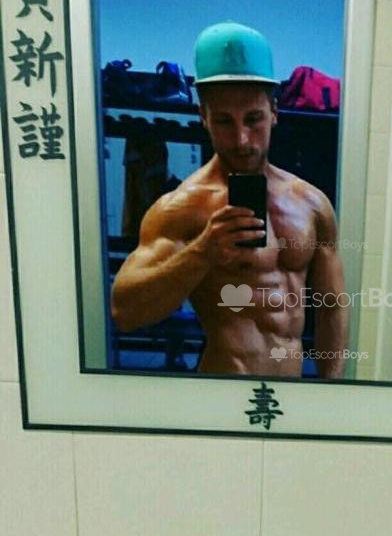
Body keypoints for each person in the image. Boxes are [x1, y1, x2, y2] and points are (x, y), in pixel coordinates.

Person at [110, 21, 348, 378]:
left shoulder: (312, 203)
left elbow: (332, 307)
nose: (241, 140)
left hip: (290, 394)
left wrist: (331, 388)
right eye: (224, 121)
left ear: (274, 112)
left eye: (253, 119)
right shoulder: (181, 209)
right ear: (203, 117)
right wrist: (202, 251)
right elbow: (125, 313)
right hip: (220, 392)